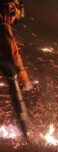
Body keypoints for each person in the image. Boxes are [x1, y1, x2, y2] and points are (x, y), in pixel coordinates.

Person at [0, 0, 32, 139]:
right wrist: (22, 73)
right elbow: (11, 51)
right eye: (14, 17)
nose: (12, 21)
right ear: (10, 10)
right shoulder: (2, 25)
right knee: (11, 72)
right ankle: (27, 133)